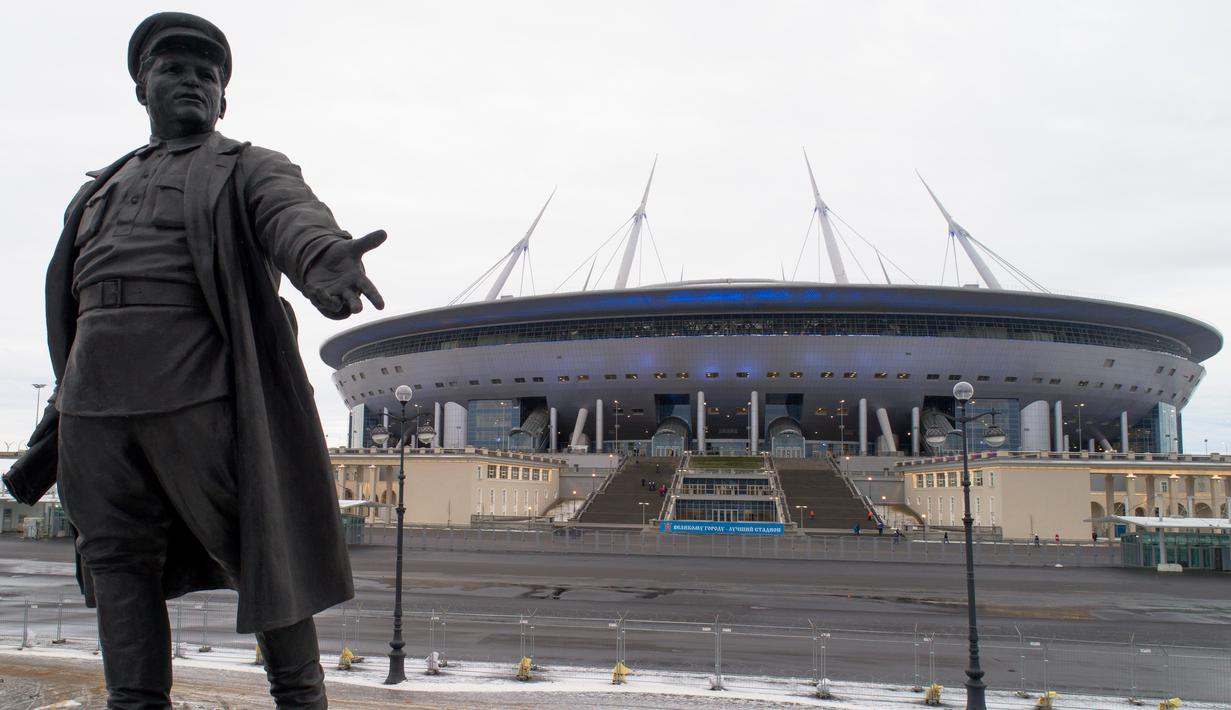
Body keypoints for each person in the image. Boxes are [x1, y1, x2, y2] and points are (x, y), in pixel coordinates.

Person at [3, 12, 384, 708]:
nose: (192, 82)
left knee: (260, 553)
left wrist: (324, 260)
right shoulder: (95, 190)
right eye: (174, 69)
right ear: (141, 87)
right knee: (117, 563)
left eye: (206, 75)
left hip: (196, 391)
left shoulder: (246, 166)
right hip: (91, 403)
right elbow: (73, 303)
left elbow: (292, 215)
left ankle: (300, 697)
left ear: (223, 100)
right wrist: (60, 409)